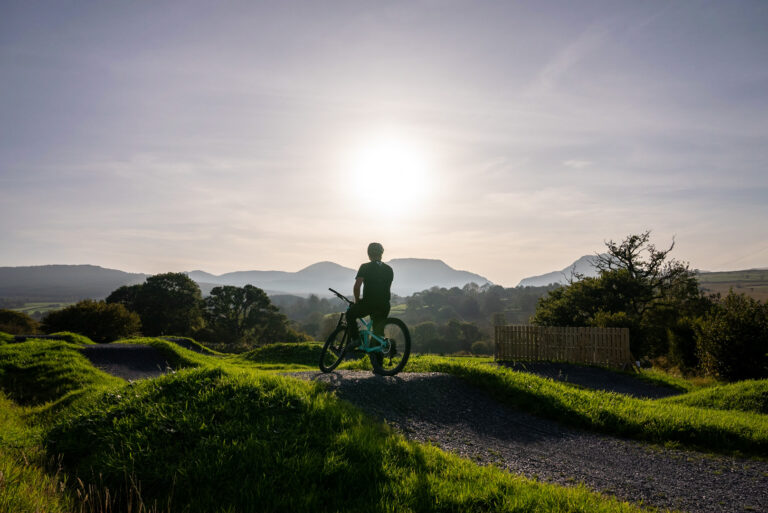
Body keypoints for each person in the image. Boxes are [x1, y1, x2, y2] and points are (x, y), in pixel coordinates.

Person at [346, 242, 393, 345]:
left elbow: (357, 287)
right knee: (377, 335)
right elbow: (386, 288)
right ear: (381, 254)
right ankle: (377, 358)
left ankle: (356, 340)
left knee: (349, 314)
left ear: (369, 254)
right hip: (384, 305)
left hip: (369, 303)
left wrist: (357, 301)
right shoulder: (389, 269)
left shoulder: (365, 267)